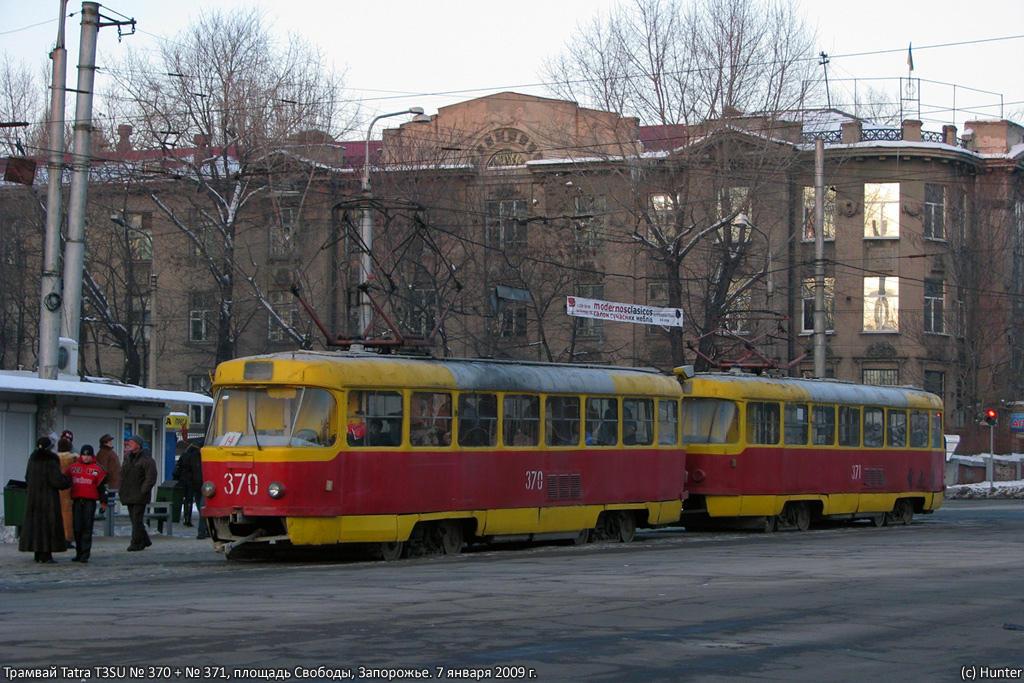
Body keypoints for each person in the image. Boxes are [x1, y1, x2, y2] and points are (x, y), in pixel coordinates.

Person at [19, 437, 71, 563]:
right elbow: (56, 480)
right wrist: (67, 480)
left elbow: (27, 477)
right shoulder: (51, 460)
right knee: (47, 525)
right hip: (48, 499)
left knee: (36, 525)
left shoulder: (33, 459)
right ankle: (46, 554)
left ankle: (38, 552)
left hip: (33, 498)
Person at [67, 444, 107, 563]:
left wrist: (103, 503)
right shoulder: (72, 469)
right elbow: (65, 481)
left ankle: (85, 554)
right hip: (76, 502)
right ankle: (78, 552)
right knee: (77, 529)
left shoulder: (98, 470)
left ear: (92, 456)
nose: (85, 458)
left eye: (88, 455)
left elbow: (102, 488)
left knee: (87, 528)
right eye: (84, 455)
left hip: (89, 502)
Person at [119, 434, 157, 552]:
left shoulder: (147, 460)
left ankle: (135, 542)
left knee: (136, 519)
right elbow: (122, 474)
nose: (129, 444)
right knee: (135, 519)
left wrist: (143, 490)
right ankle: (145, 540)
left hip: (139, 494)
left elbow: (150, 477)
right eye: (129, 442)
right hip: (128, 492)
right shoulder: (127, 458)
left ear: (138, 445)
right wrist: (121, 488)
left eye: (132, 442)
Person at [56, 433, 77, 547]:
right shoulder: (74, 459)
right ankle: (68, 536)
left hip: (57, 490)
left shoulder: (54, 459)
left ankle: (57, 536)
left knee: (58, 512)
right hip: (70, 489)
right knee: (68, 513)